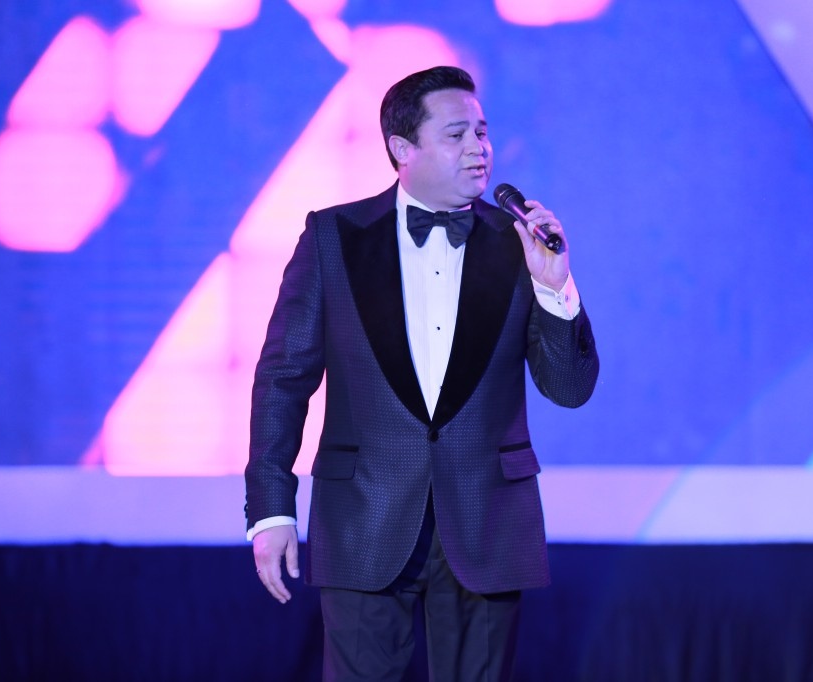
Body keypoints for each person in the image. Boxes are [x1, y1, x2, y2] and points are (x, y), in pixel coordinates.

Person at [245, 65, 599, 681]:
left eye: (482, 133)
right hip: (363, 514)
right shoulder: (334, 237)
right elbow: (283, 378)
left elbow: (569, 389)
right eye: (457, 134)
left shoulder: (517, 243)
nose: (479, 149)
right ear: (402, 149)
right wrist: (272, 509)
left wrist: (554, 287)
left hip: (487, 518)